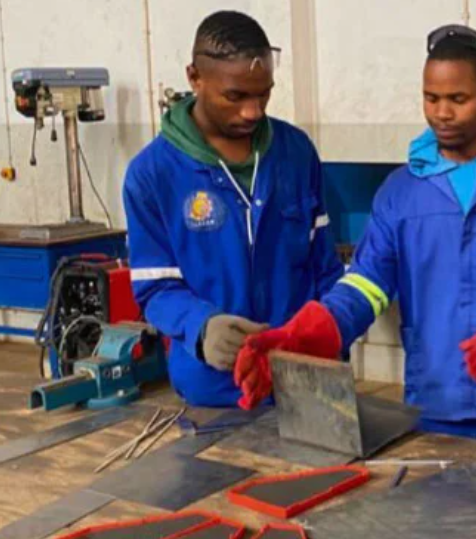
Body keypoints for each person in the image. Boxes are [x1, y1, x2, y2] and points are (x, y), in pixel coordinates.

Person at [234, 25, 476, 449]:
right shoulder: (402, 193)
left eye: (458, 99)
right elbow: (366, 284)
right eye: (431, 99)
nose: (442, 114)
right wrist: (307, 335)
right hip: (433, 410)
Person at [124, 10, 342, 407]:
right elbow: (155, 287)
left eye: (264, 93)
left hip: (303, 378)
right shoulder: (152, 175)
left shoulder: (295, 152)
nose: (253, 111)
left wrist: (328, 339)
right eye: (235, 96)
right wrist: (201, 326)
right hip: (214, 389)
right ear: (195, 78)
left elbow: (324, 267)